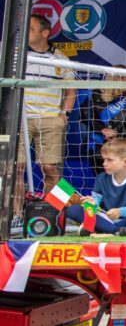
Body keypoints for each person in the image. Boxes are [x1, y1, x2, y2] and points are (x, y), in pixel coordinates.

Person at [16, 14, 76, 219]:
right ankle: (14, 214)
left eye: (31, 29)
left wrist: (64, 115)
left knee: (50, 167)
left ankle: (52, 214)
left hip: (50, 118)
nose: (27, 32)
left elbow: (71, 91)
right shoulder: (17, 54)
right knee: (16, 167)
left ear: (45, 33)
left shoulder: (61, 59)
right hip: (20, 118)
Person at [66, 138, 126, 236]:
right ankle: (120, 231)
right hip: (106, 218)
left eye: (109, 160)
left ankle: (104, 229)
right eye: (104, 159)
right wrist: (93, 204)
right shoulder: (101, 178)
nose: (104, 163)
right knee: (74, 209)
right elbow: (96, 202)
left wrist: (121, 212)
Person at [80, 66, 126, 175]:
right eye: (116, 76)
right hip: (101, 145)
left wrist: (116, 135)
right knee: (103, 180)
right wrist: (102, 130)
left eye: (124, 77)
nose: (120, 80)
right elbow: (86, 115)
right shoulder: (95, 95)